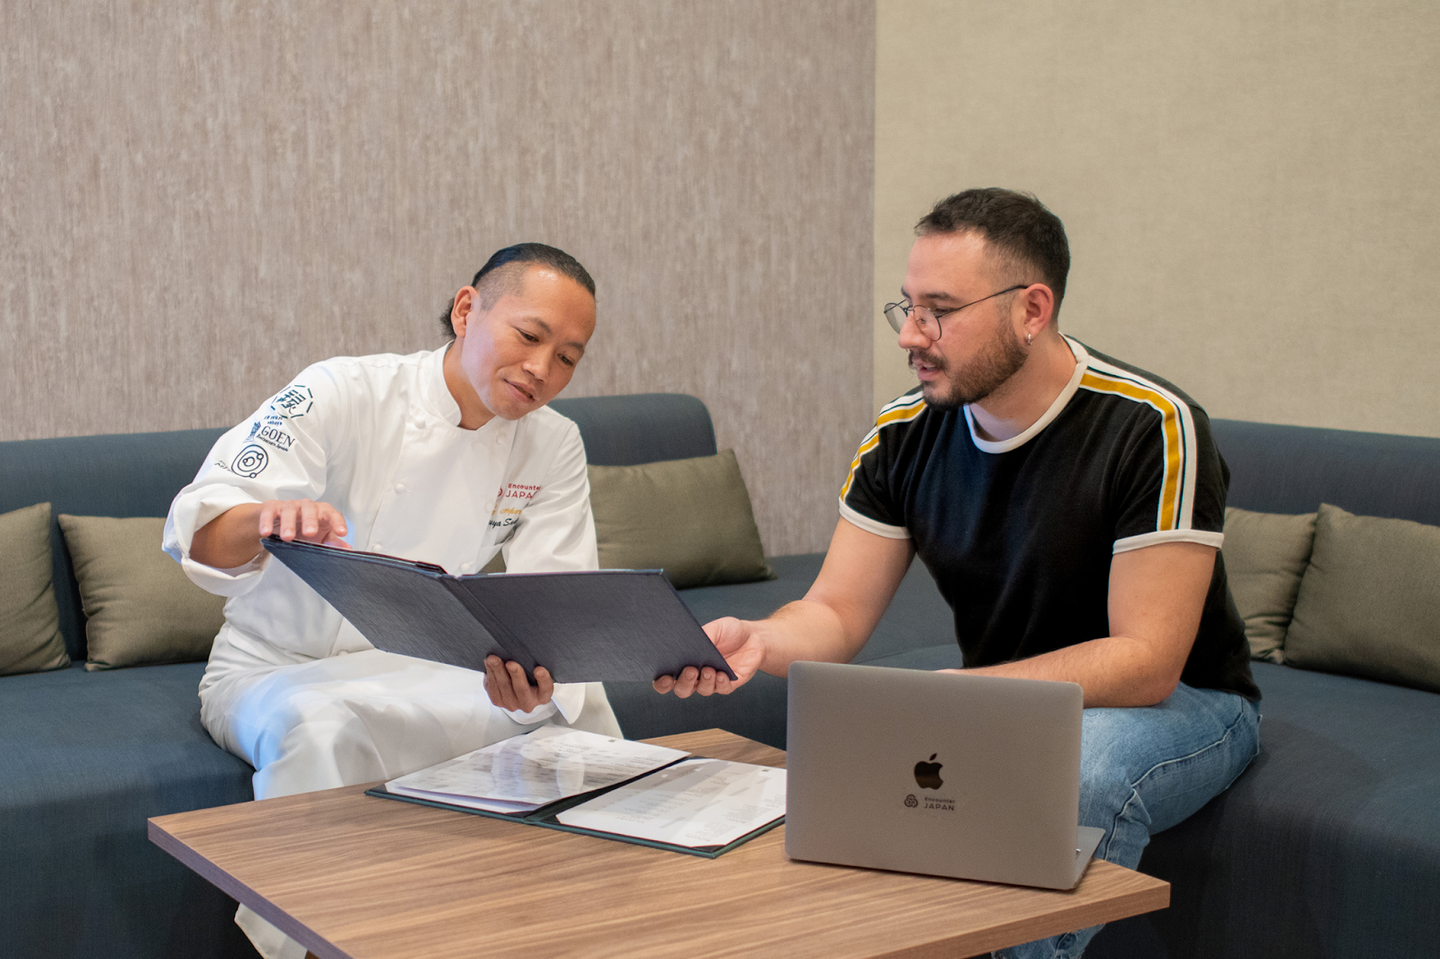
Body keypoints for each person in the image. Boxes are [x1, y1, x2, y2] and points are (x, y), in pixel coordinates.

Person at [655, 189, 1261, 959]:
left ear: (1031, 309)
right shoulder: (903, 431)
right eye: (907, 307)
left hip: (1186, 701)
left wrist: (964, 696)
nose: (910, 335)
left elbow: (1147, 661)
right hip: (1003, 697)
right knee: (856, 760)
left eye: (939, 311)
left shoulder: (1153, 426)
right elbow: (836, 611)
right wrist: (760, 639)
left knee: (1081, 770)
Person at [163, 243, 621, 959]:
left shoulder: (553, 443)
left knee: (576, 716)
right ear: (467, 310)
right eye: (529, 336)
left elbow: (555, 601)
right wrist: (265, 520)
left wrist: (534, 672)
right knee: (322, 732)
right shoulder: (343, 391)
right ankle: (323, 944)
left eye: (567, 357)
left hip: (425, 661)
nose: (542, 368)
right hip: (279, 667)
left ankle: (560, 926)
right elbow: (202, 530)